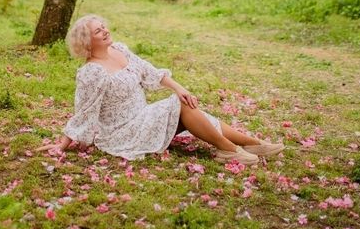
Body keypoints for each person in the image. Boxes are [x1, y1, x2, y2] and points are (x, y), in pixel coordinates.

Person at [41, 15, 284, 165]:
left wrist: (179, 87)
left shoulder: (120, 50)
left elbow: (149, 71)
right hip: (122, 132)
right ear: (87, 42)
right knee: (178, 106)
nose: (105, 30)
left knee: (184, 104)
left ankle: (252, 144)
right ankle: (229, 150)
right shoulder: (92, 72)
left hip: (143, 117)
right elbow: (83, 111)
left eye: (103, 26)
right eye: (98, 31)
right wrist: (62, 145)